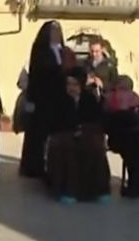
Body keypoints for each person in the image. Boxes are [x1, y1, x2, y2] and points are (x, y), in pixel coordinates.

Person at [46, 67, 111, 204]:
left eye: (74, 84)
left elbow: (96, 119)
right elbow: (53, 123)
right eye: (68, 84)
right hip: (65, 134)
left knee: (96, 149)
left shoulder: (89, 99)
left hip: (87, 133)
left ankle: (100, 190)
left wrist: (85, 129)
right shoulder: (59, 100)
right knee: (69, 150)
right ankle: (70, 190)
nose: (71, 88)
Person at [20, 20, 76, 178]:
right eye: (53, 31)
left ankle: (56, 165)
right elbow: (39, 73)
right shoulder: (40, 50)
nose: (57, 34)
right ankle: (34, 167)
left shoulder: (65, 51)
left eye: (59, 31)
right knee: (39, 134)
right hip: (44, 97)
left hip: (61, 99)